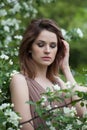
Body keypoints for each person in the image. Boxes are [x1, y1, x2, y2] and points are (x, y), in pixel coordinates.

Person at [10, 18, 87, 130]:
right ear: (29, 48)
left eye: (52, 46)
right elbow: (25, 126)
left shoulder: (58, 82)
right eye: (41, 45)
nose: (47, 50)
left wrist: (66, 68)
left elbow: (82, 114)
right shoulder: (20, 80)